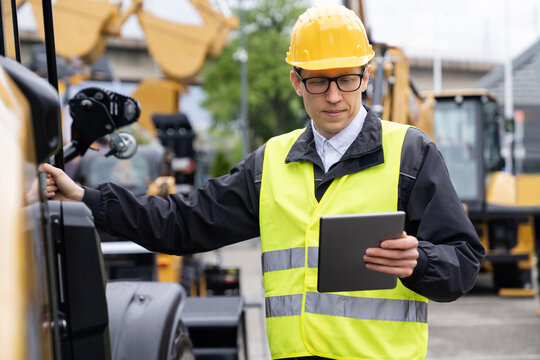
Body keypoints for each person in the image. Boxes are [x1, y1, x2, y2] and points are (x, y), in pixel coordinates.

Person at [40, 3, 485, 359]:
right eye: (318, 82)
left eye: (347, 79)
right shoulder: (271, 161)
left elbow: (462, 263)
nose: (333, 95)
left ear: (366, 76)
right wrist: (89, 198)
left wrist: (420, 261)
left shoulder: (410, 154)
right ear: (296, 82)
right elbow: (184, 222)